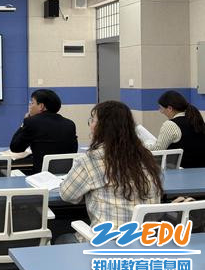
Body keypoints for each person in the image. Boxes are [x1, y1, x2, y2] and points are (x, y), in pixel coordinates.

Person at [59, 101, 163, 242]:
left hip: (107, 241)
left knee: (62, 238)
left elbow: (67, 195)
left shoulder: (90, 160)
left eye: (93, 120)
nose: (90, 124)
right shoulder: (146, 157)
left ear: (101, 127)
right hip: (146, 240)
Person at [9, 89, 78, 173]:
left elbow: (15, 147)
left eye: (32, 103)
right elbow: (73, 151)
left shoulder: (31, 122)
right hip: (64, 175)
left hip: (40, 175)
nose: (30, 106)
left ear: (41, 106)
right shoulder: (70, 124)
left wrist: (23, 123)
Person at [147, 90, 205, 168]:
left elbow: (157, 150)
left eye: (161, 108)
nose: (160, 111)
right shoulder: (197, 121)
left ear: (170, 108)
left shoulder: (170, 125)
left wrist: (143, 146)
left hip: (182, 171)